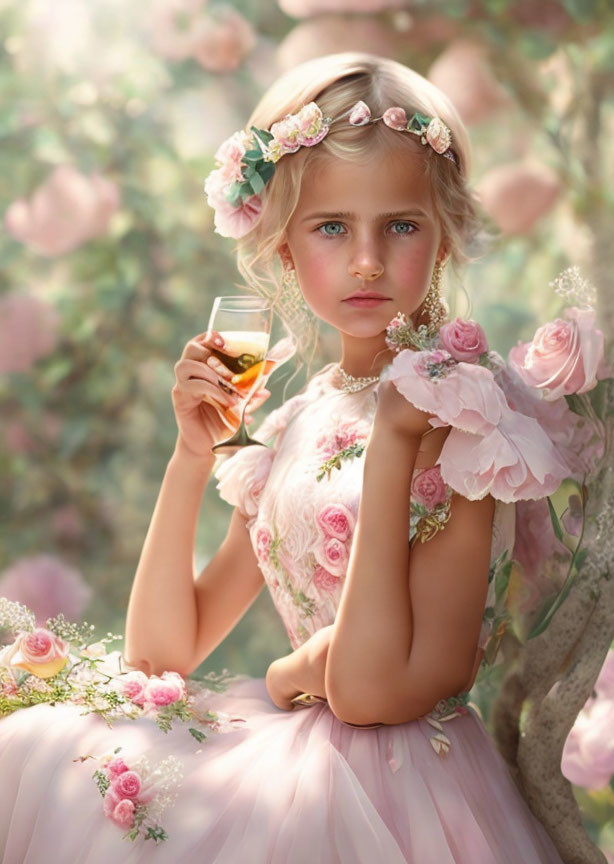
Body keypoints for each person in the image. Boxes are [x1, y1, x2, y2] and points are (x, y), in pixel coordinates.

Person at [0, 52, 572, 863]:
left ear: (441, 242)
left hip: (403, 794)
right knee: (53, 749)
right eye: (332, 227)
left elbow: (379, 694)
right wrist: (190, 458)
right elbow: (162, 654)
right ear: (282, 249)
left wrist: (391, 453)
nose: (366, 259)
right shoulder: (300, 416)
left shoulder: (460, 415)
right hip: (296, 757)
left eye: (400, 226)